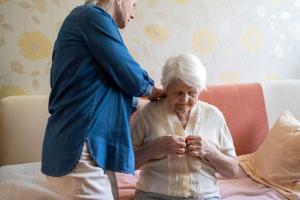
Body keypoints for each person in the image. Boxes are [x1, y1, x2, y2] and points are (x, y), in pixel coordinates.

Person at [41, 0, 164, 199]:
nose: (133, 14)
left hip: (78, 150)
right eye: (134, 4)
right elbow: (129, 75)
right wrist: (152, 89)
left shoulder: (83, 24)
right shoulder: (91, 16)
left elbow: (99, 90)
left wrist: (146, 104)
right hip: (80, 150)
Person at [131, 53, 239, 200]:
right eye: (177, 92)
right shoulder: (146, 114)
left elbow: (232, 170)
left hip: (204, 196)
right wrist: (157, 146)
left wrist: (210, 151)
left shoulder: (214, 115)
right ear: (165, 88)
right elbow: (127, 163)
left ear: (200, 89)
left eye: (192, 92)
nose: (185, 100)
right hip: (153, 195)